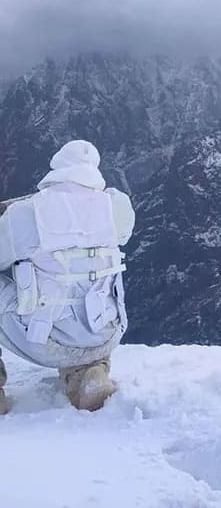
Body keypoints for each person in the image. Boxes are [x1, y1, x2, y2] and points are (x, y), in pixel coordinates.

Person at [0, 140, 135, 413]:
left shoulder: (26, 214)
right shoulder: (118, 207)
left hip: (43, 340)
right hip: (103, 336)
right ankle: (88, 375)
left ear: (57, 168)